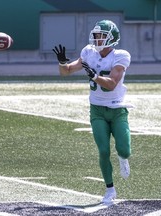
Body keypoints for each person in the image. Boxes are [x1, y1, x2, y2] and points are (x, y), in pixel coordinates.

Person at [52, 20, 131, 203]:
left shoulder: (121, 56)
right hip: (97, 109)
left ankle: (122, 157)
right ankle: (110, 190)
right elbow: (67, 71)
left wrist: (94, 76)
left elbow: (111, 84)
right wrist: (62, 62)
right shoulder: (89, 52)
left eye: (101, 35)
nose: (97, 39)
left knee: (124, 150)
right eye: (96, 35)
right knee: (103, 150)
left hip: (117, 108)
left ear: (112, 38)